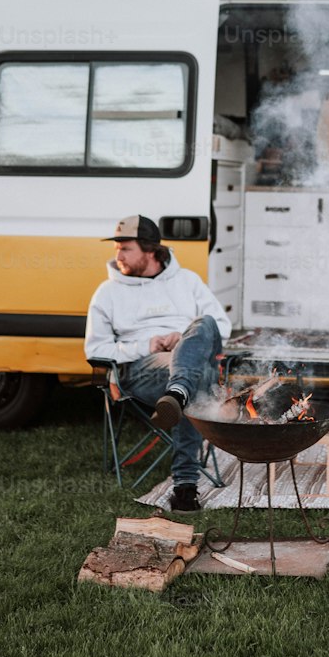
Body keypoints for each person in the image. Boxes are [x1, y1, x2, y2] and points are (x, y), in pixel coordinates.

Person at [84, 214, 232, 512]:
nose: (118, 255)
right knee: (198, 377)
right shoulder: (107, 292)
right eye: (117, 248)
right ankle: (185, 486)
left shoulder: (187, 281)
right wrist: (146, 344)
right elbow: (95, 348)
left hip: (183, 360)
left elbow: (221, 326)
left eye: (126, 248)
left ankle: (178, 394)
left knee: (203, 323)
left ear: (150, 250)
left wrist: (183, 337)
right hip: (142, 370)